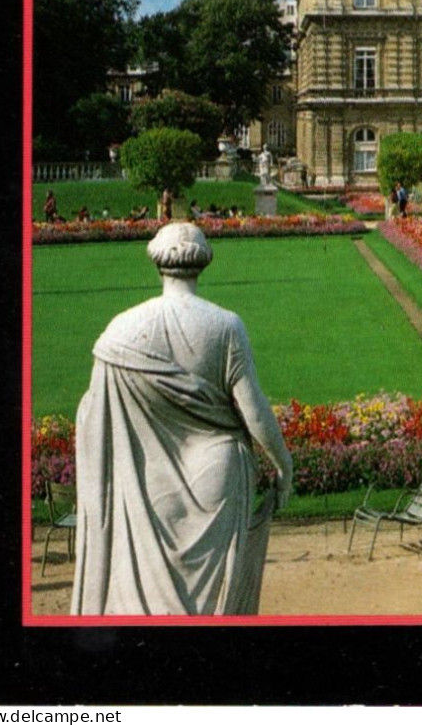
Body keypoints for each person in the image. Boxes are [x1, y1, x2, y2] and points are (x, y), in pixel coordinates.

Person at [72, 224, 293, 615]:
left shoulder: (121, 331)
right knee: (211, 607)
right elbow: (254, 411)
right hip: (217, 474)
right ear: (203, 262)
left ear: (157, 260)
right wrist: (283, 465)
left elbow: (92, 416)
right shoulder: (226, 326)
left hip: (147, 482)